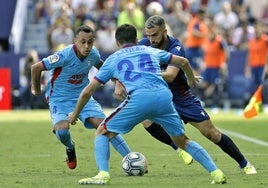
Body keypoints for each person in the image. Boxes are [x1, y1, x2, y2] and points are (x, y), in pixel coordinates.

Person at [69, 23, 226, 185]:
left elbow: (88, 91)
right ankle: (216, 172)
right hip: (164, 97)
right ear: (137, 40)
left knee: (102, 132)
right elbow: (184, 62)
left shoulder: (113, 59)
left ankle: (103, 174)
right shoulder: (149, 50)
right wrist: (191, 79)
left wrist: (75, 114)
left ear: (117, 43)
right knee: (183, 141)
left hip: (139, 99)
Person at [126, 15, 256, 174]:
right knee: (145, 119)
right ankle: (178, 148)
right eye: (148, 35)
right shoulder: (144, 44)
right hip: (158, 95)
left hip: (181, 97)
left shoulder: (176, 47)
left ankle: (244, 163)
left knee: (212, 134)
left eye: (155, 35)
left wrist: (142, 73)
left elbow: (171, 75)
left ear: (165, 31)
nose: (151, 39)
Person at [31, 25, 131, 170]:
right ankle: (70, 147)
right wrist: (35, 89)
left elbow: (103, 68)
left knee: (105, 125)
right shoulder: (63, 55)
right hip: (59, 98)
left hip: (82, 96)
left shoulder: (94, 54)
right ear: (75, 41)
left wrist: (117, 82)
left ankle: (131, 158)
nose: (87, 46)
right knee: (62, 130)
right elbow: (36, 67)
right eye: (82, 42)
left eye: (90, 42)